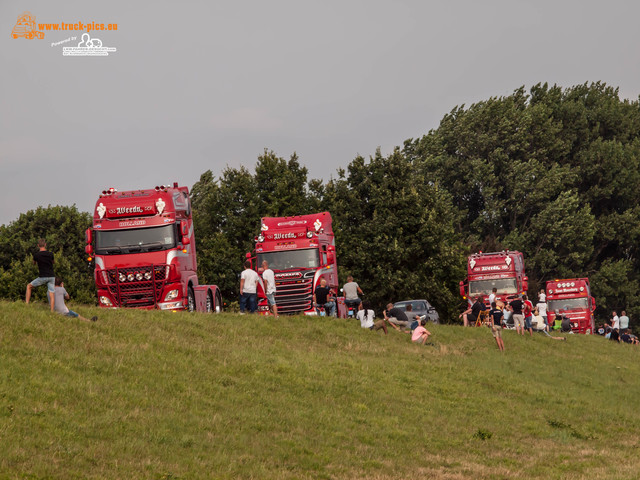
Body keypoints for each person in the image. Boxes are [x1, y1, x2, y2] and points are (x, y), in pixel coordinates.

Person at [25, 239, 55, 311]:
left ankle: (26, 304)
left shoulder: (36, 255)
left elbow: (34, 263)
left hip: (42, 276)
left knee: (29, 286)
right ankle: (52, 311)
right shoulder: (51, 254)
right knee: (51, 293)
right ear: (45, 245)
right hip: (51, 276)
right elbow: (53, 262)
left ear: (38, 245)